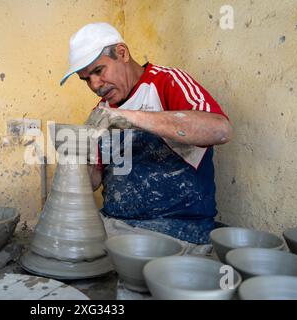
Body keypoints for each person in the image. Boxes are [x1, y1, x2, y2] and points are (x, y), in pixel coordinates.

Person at [59, 22, 232, 244]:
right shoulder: (100, 114)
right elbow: (92, 182)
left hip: (179, 228)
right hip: (116, 224)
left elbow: (221, 130)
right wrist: (76, 158)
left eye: (98, 71)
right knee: (63, 243)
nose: (95, 85)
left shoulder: (167, 82)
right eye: (86, 79)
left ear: (122, 53)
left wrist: (131, 117)